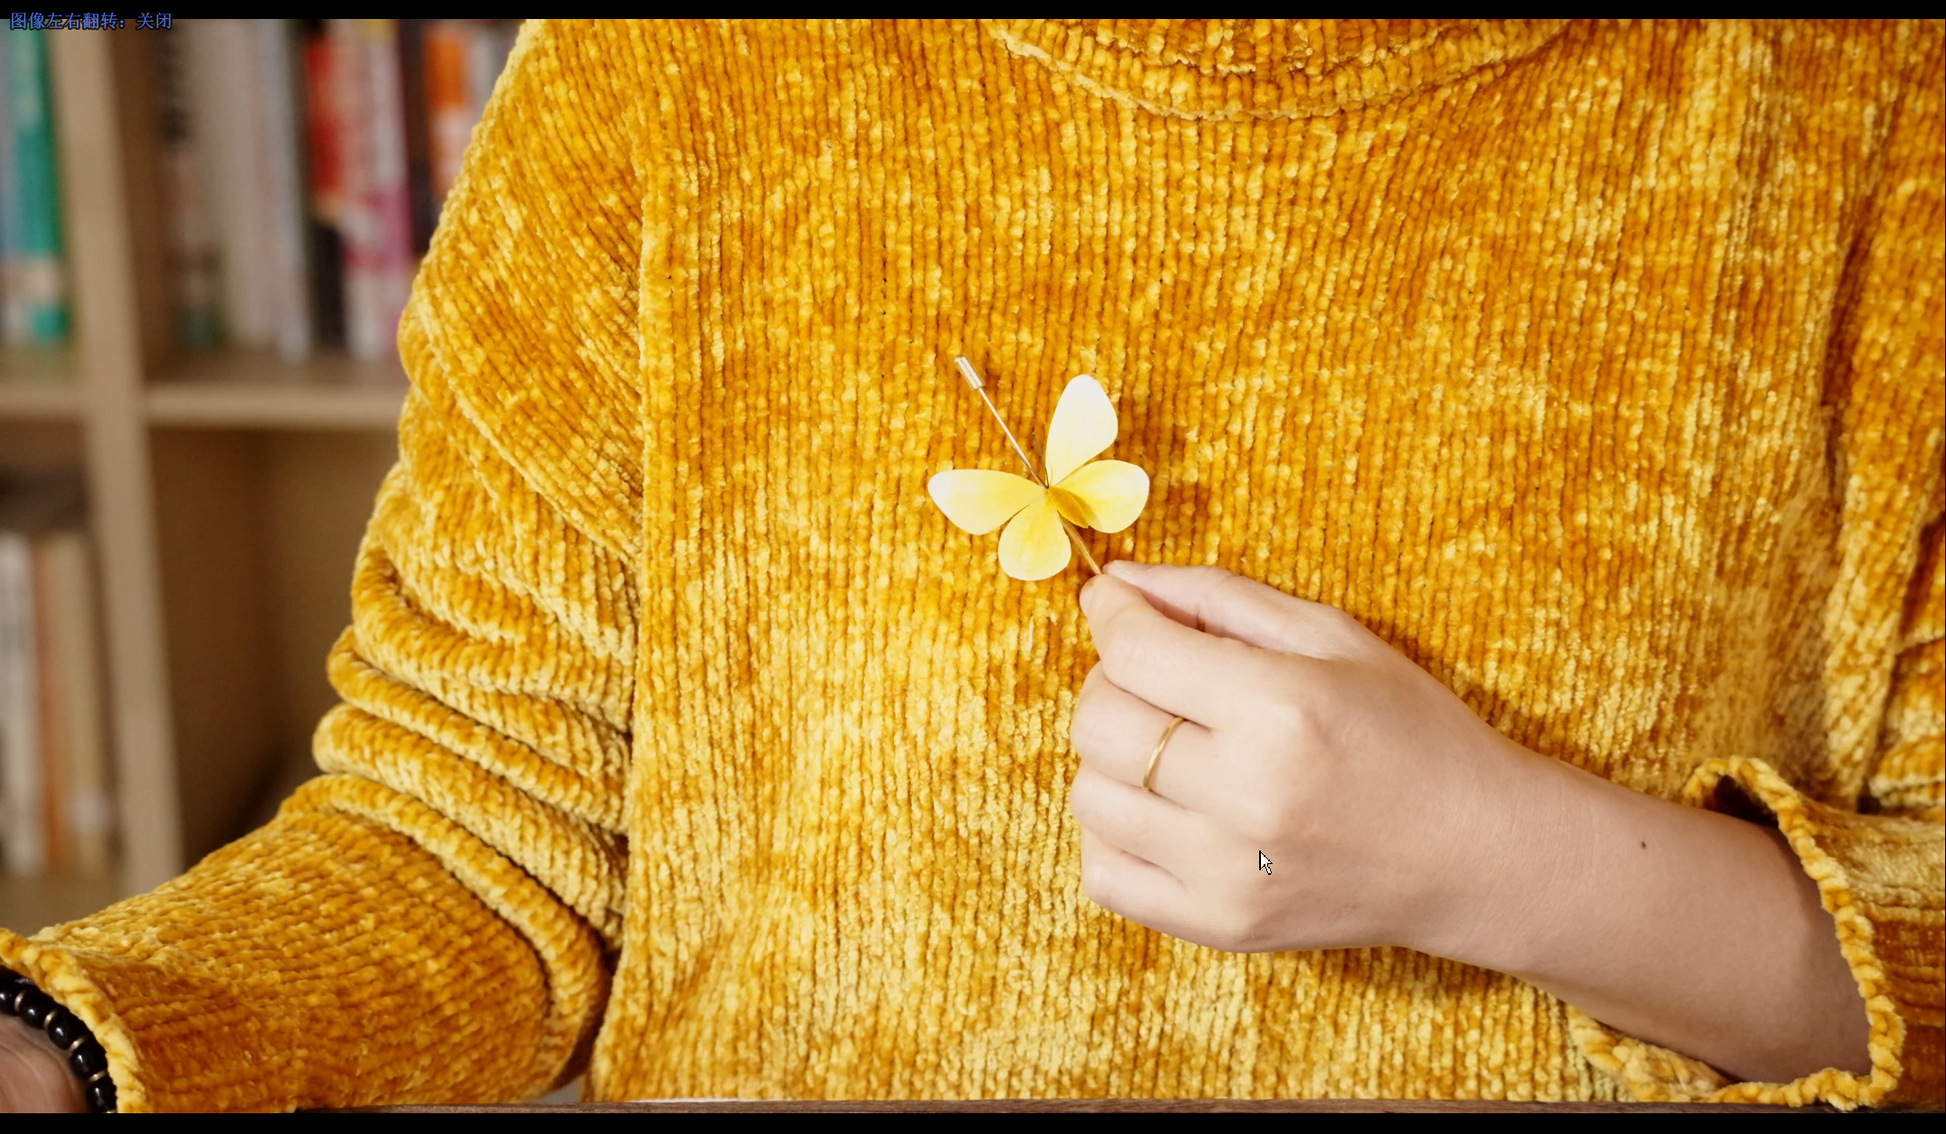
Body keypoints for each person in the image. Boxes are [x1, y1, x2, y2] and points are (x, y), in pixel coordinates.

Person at [3, 18, 1940, 1112]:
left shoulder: (1863, 107)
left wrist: (1496, 860)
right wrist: (70, 1059)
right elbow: (472, 840)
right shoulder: (658, 83)